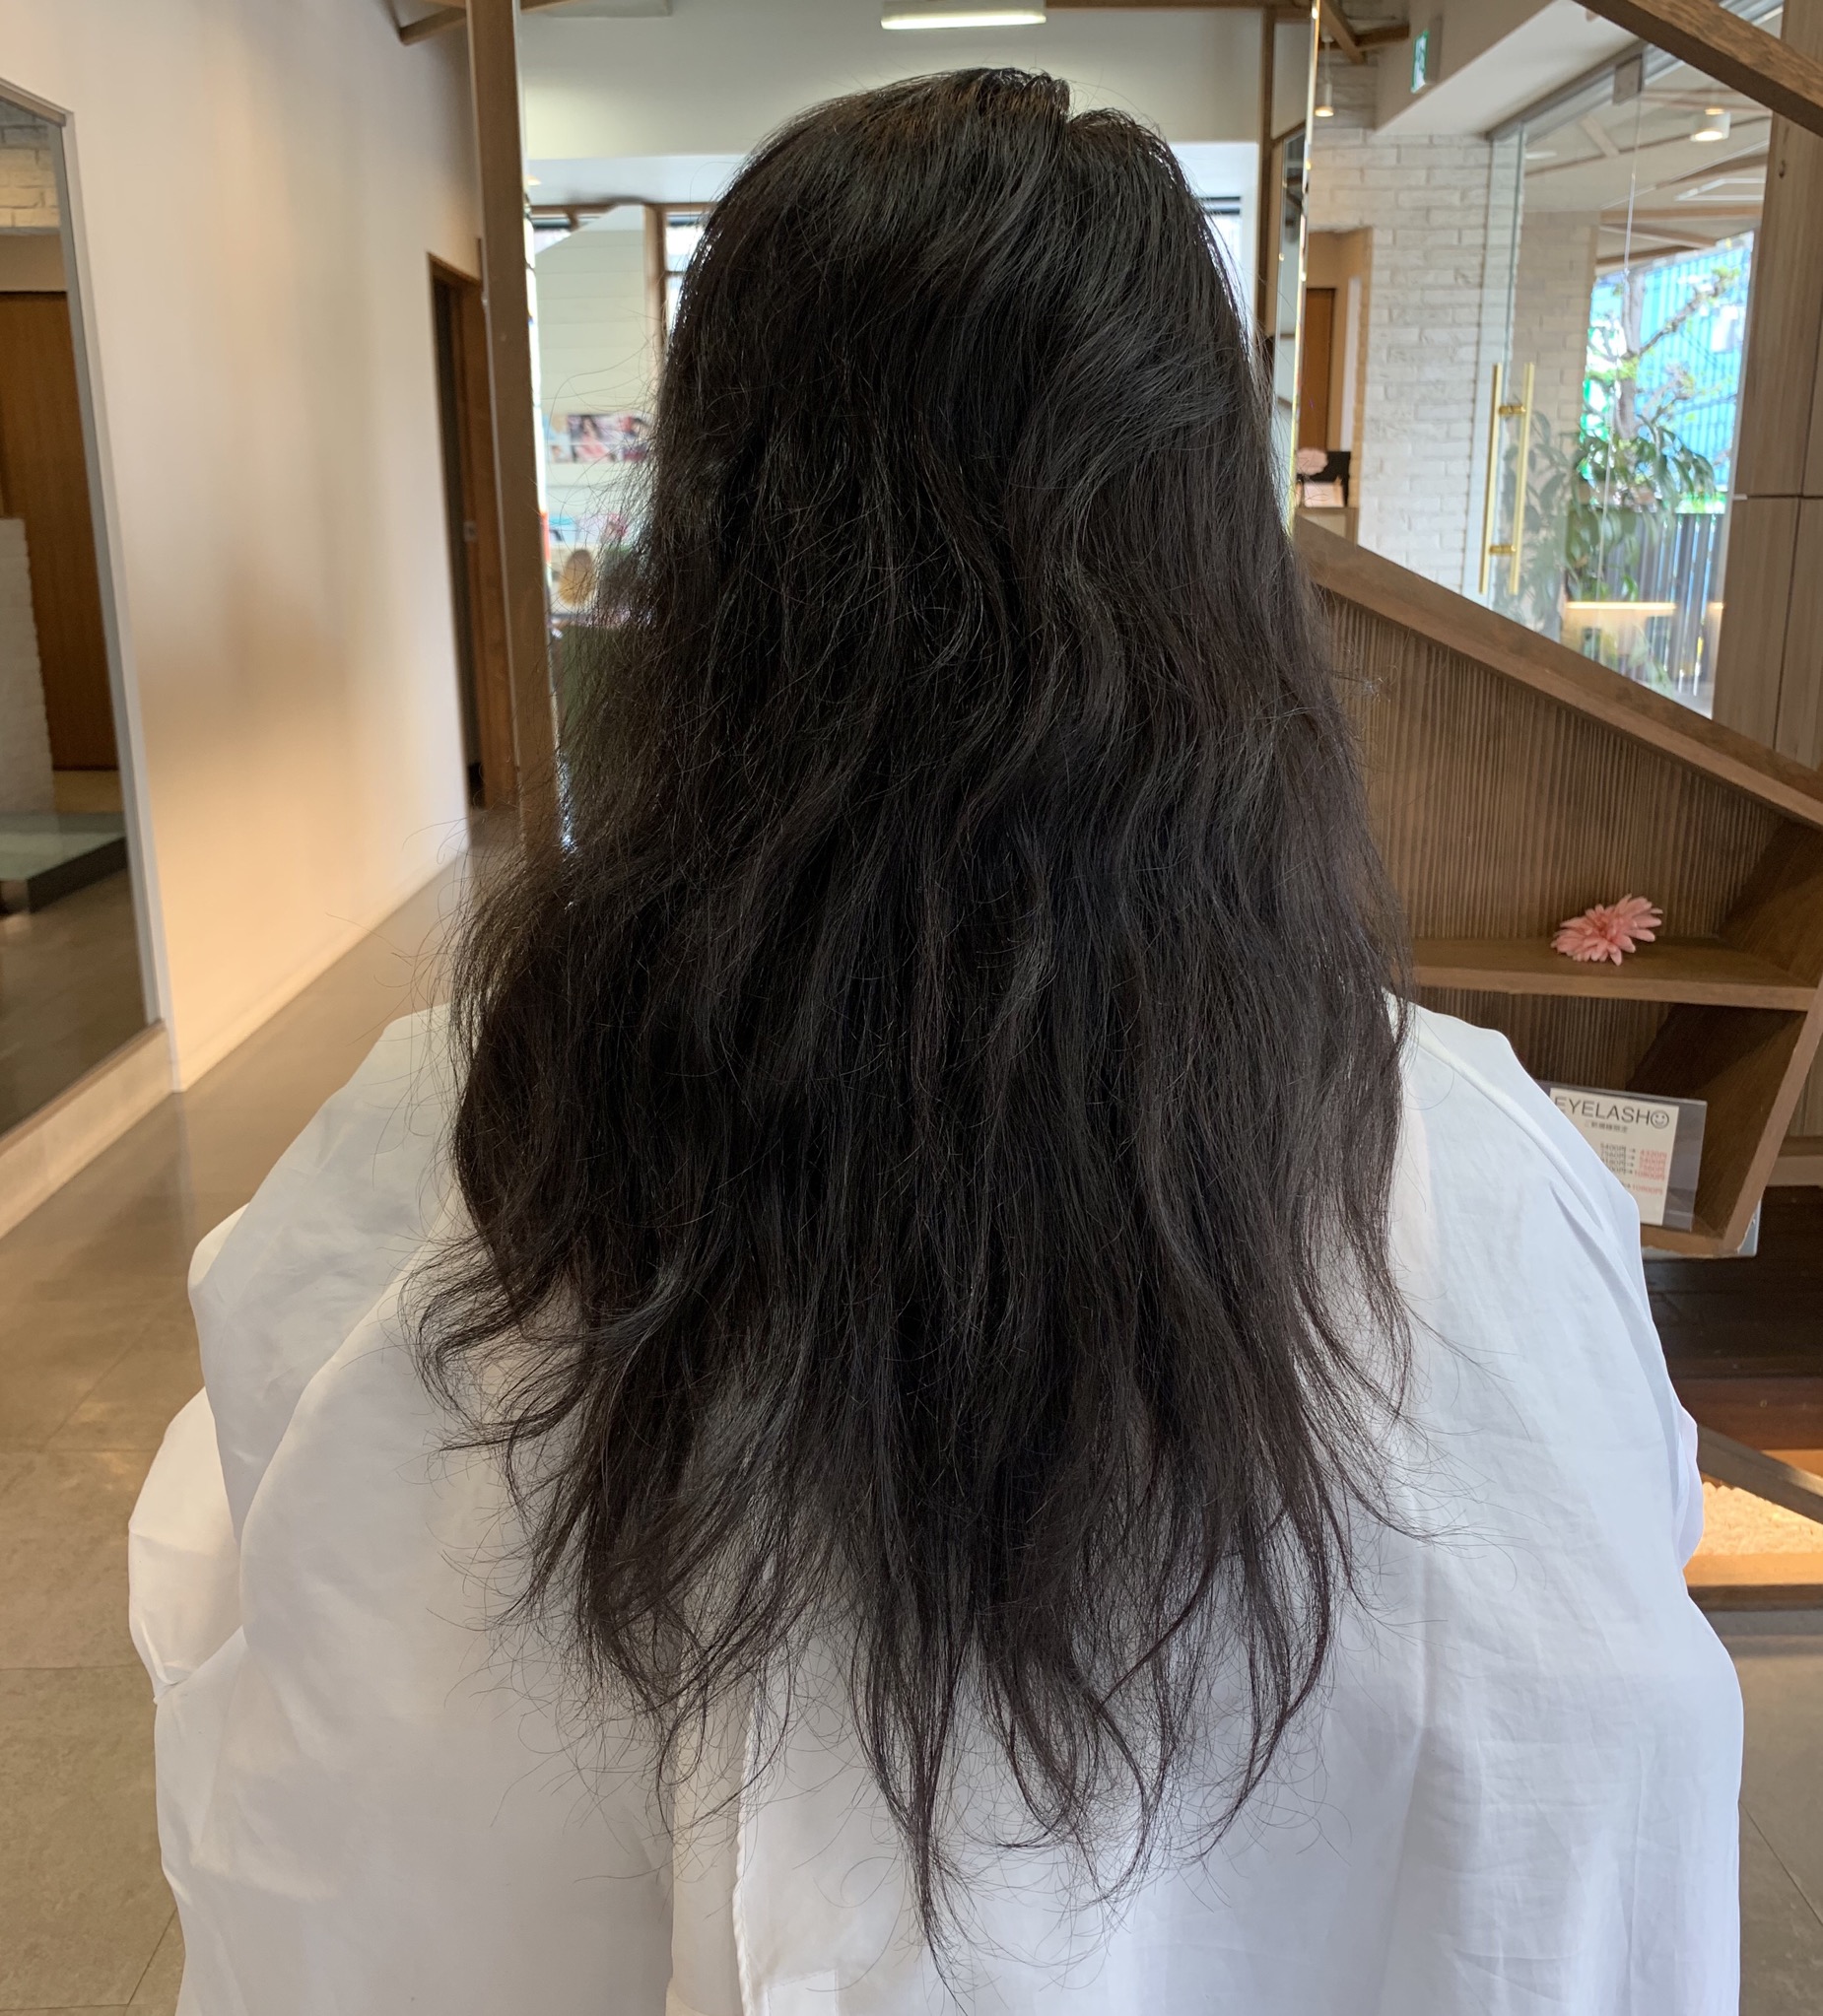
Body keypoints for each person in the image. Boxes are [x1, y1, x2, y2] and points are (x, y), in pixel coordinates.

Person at [129, 69, 1741, 2015]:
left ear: (712, 549)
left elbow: (281, 1667)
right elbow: (1585, 1781)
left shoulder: (459, 1137)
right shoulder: (1464, 1167)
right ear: (1215, 562)